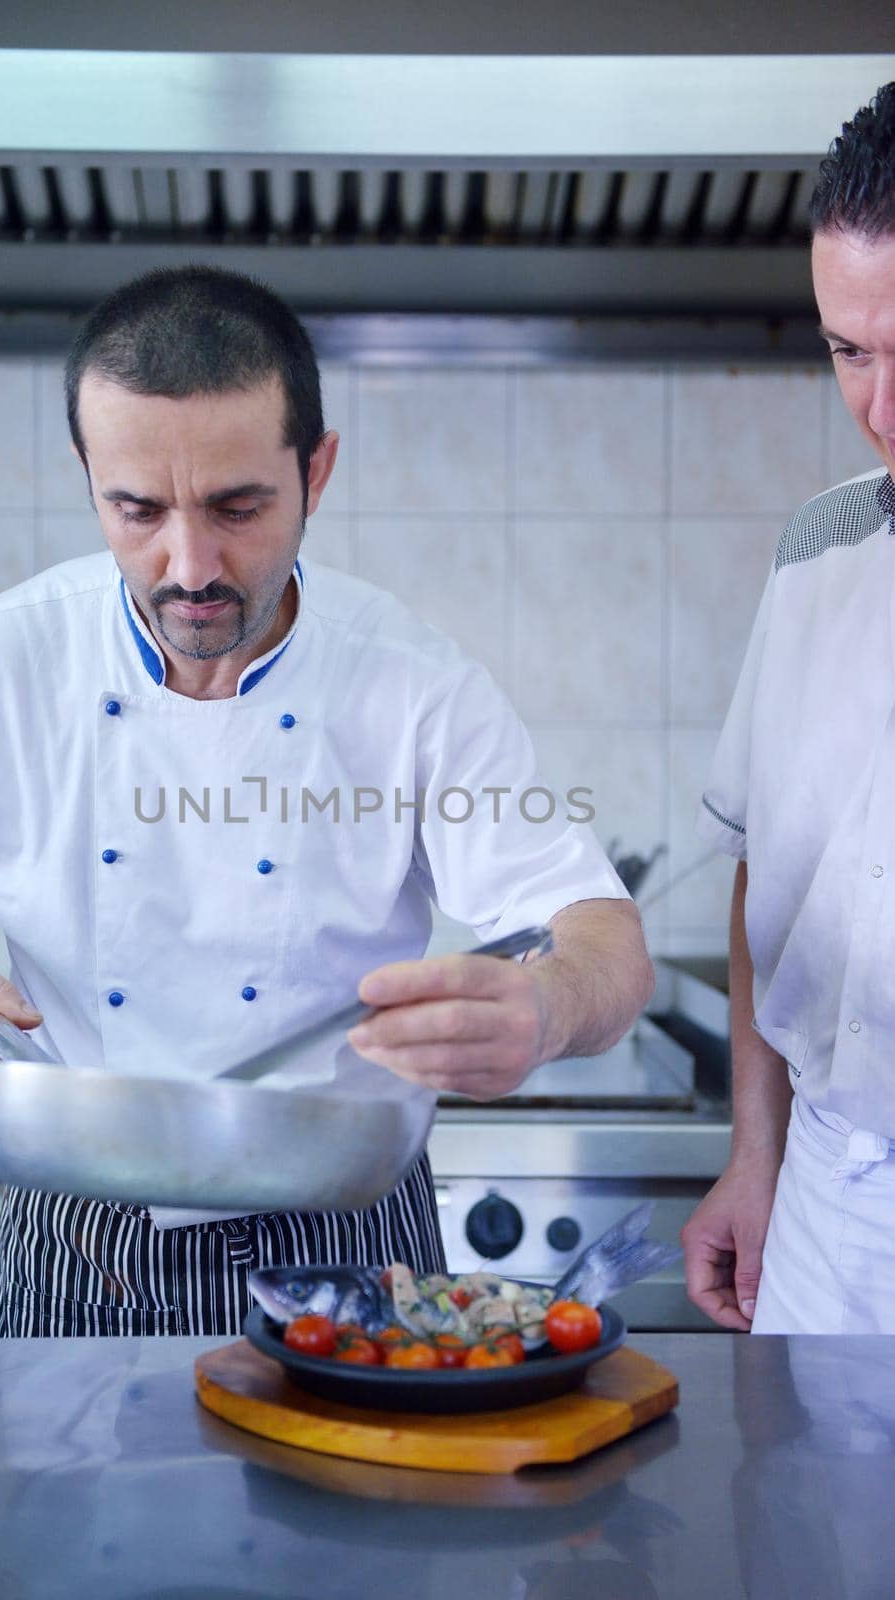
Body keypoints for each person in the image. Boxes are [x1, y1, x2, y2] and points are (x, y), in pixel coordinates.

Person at [0, 267, 652, 1336]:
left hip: (349, 1232)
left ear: (318, 470)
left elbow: (605, 939)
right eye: (138, 509)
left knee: (364, 1504)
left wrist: (543, 1011)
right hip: (85, 1236)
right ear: (88, 478)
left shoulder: (410, 683)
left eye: (238, 506)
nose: (190, 564)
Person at [683, 82, 895, 1334]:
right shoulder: (820, 549)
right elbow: (767, 874)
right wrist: (756, 1156)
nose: (880, 410)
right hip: (829, 1204)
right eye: (850, 352)